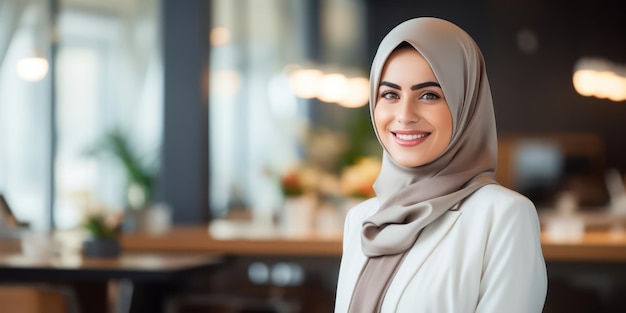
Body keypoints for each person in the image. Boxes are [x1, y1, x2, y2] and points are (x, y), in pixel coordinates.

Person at [334, 17, 547, 313]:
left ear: (467, 104)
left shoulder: (504, 216)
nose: (405, 115)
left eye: (429, 95)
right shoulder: (361, 219)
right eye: (390, 94)